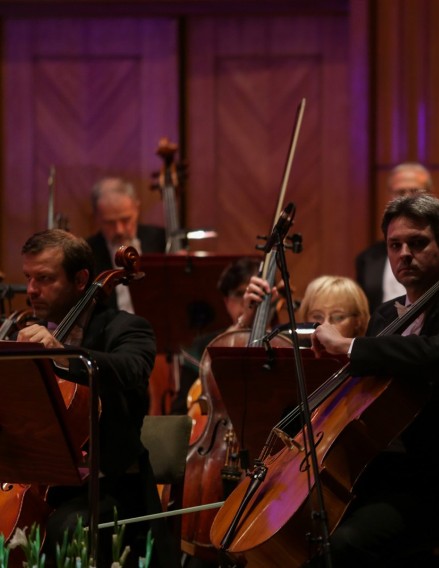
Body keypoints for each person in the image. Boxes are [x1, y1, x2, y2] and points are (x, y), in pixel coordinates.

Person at [312, 193, 439, 566]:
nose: (404, 254)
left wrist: (351, 346)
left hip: (436, 489)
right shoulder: (385, 316)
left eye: (417, 243)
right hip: (377, 477)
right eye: (395, 245)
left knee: (345, 545)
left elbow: (437, 354)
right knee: (310, 532)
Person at [15, 229, 175, 567]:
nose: (31, 290)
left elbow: (131, 370)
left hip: (109, 486)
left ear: (81, 279)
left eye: (44, 279)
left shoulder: (127, 328)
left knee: (65, 528)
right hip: (40, 483)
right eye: (28, 278)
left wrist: (63, 354)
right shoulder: (29, 332)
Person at [355, 161, 439, 313]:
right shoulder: (368, 258)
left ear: (430, 196)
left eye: (415, 191)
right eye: (400, 192)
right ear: (389, 197)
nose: (407, 198)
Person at [172, 256, 260, 415]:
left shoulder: (282, 344)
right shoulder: (202, 348)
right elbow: (181, 413)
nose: (248, 303)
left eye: (254, 294)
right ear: (226, 301)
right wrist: (242, 323)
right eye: (240, 293)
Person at [86, 176, 166, 312]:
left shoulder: (161, 239)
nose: (120, 230)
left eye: (126, 219)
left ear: (137, 208)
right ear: (96, 217)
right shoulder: (87, 251)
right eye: (110, 222)